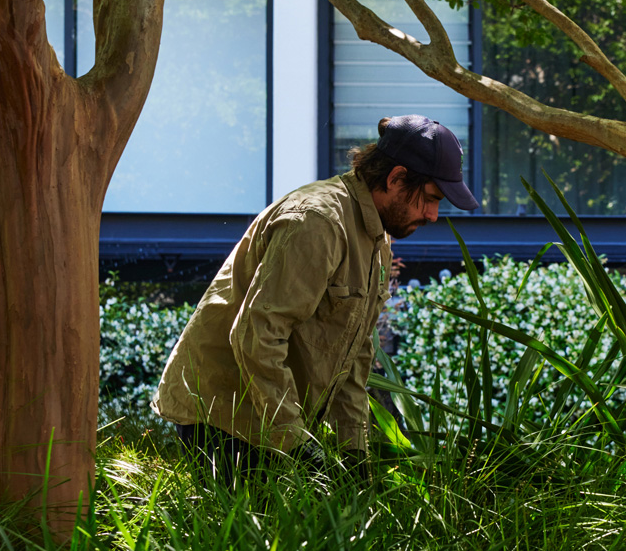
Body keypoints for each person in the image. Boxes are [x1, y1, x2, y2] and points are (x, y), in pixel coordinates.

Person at [153, 114, 479, 479]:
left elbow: (355, 359)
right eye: (431, 199)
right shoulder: (317, 222)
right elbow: (256, 337)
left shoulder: (377, 238)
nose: (434, 215)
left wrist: (353, 452)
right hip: (225, 414)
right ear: (396, 179)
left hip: (271, 416)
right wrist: (299, 447)